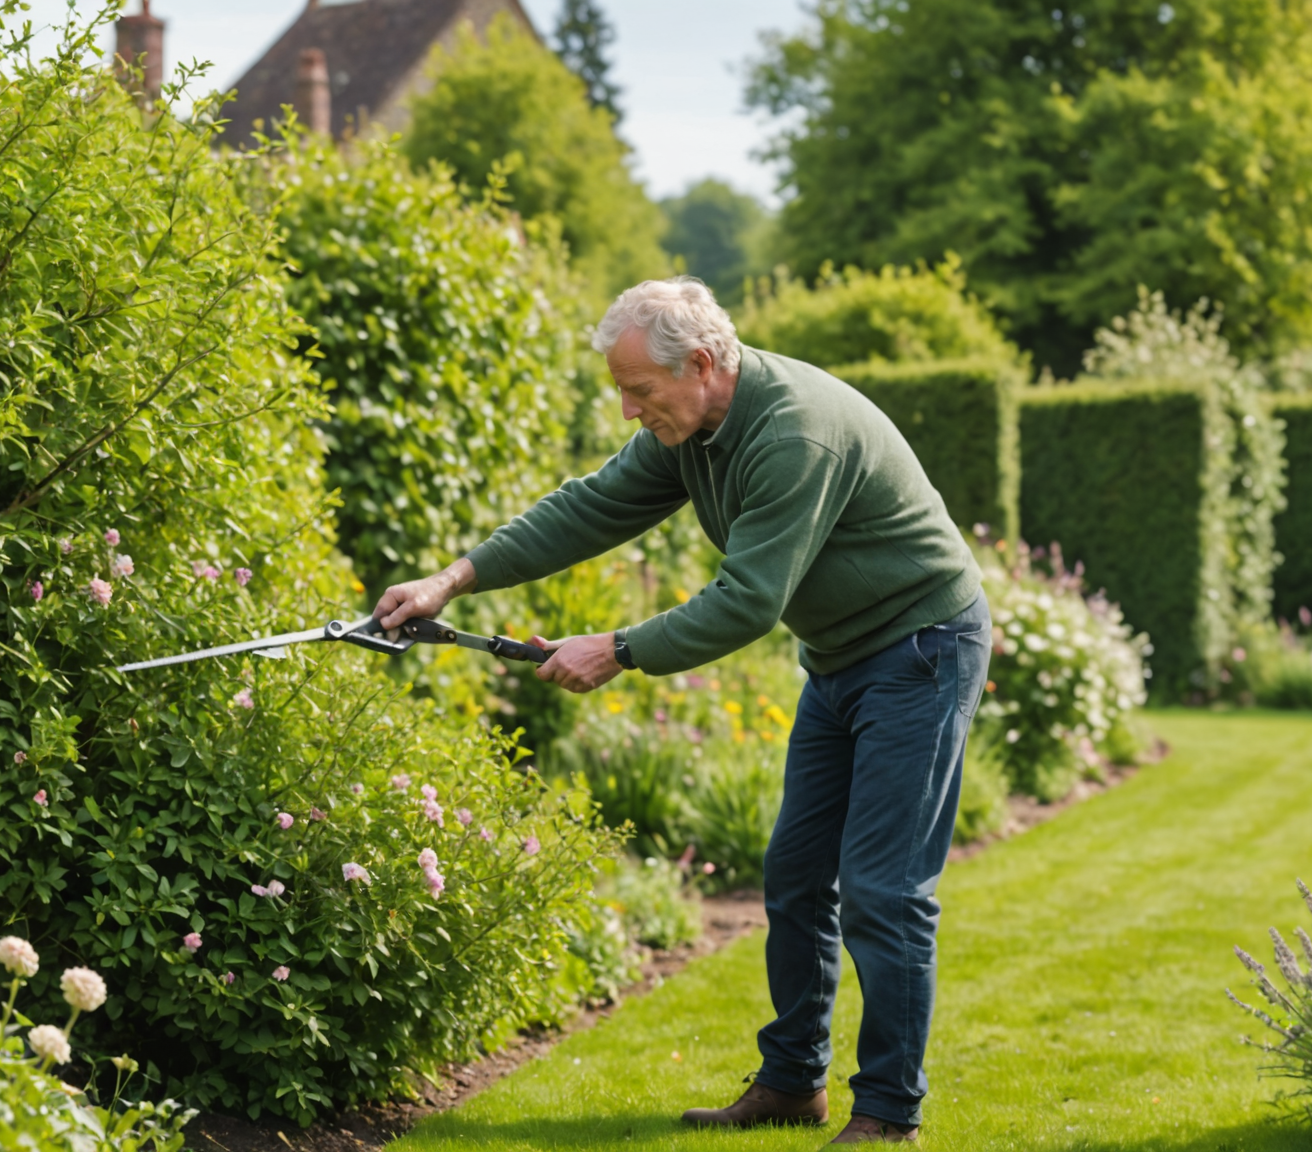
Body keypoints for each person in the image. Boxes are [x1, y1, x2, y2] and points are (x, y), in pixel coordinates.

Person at [374, 277, 990, 1144]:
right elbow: (587, 507)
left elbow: (746, 602)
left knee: (886, 893)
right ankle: (792, 1083)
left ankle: (889, 1115)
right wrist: (454, 578)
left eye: (639, 390)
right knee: (797, 876)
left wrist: (617, 648)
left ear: (701, 364)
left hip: (921, 649)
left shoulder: (792, 434)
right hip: (844, 657)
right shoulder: (690, 425)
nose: (629, 410)